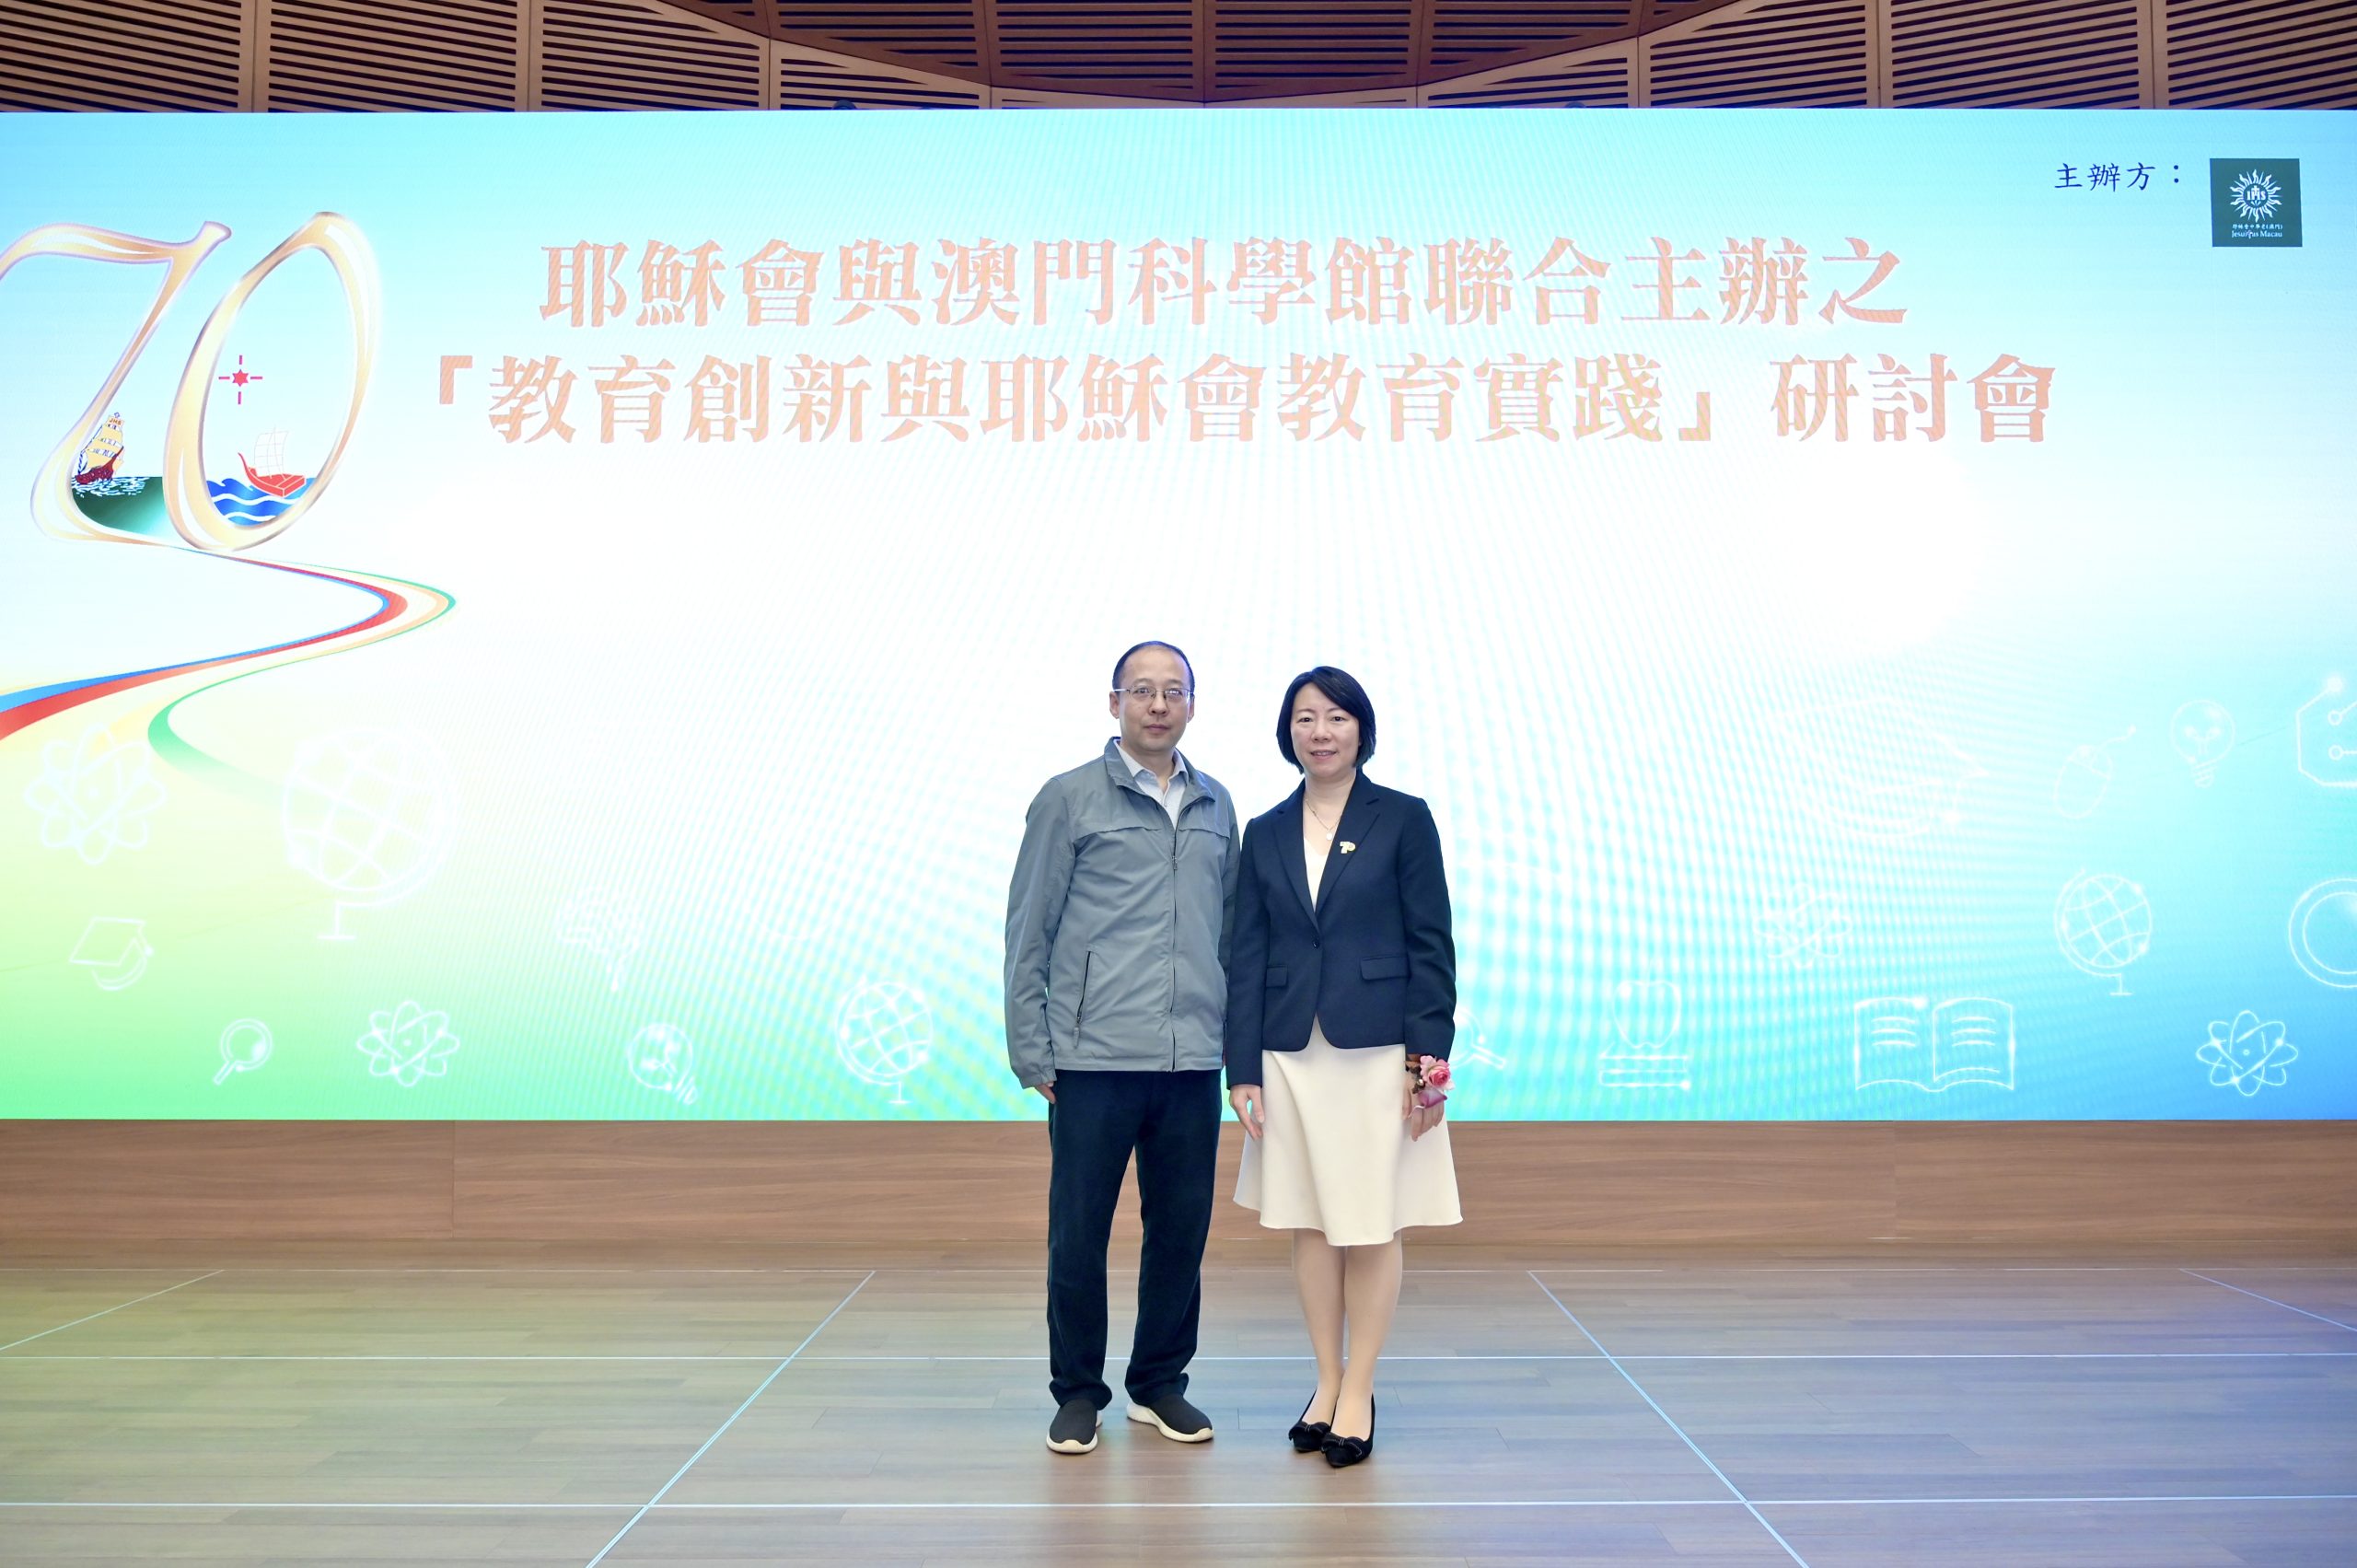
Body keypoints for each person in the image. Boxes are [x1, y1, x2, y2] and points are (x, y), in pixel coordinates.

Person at [1004, 641, 1240, 1457]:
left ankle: (1159, 1383)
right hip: (1091, 1059)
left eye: (1173, 691)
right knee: (1078, 1233)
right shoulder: (1068, 798)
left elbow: (1231, 934)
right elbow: (1028, 930)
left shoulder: (1216, 803)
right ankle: (1077, 1392)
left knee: (1180, 1231)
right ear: (1115, 703)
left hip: (1190, 1059)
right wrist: (1031, 1048)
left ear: (1192, 705)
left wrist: (1235, 1046)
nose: (1158, 704)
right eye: (1142, 690)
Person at [1225, 666, 1460, 1469]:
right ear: (1286, 732)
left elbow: (1431, 945)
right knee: (1311, 1219)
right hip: (1291, 1054)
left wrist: (1428, 1064)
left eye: (1335, 716)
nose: (1319, 732)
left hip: (1380, 1054)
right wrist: (1242, 1068)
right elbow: (1247, 954)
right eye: (1304, 718)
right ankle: (1325, 1381)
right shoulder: (1264, 830)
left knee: (1372, 1218)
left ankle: (1360, 1387)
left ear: (1361, 727)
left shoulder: (1404, 817)